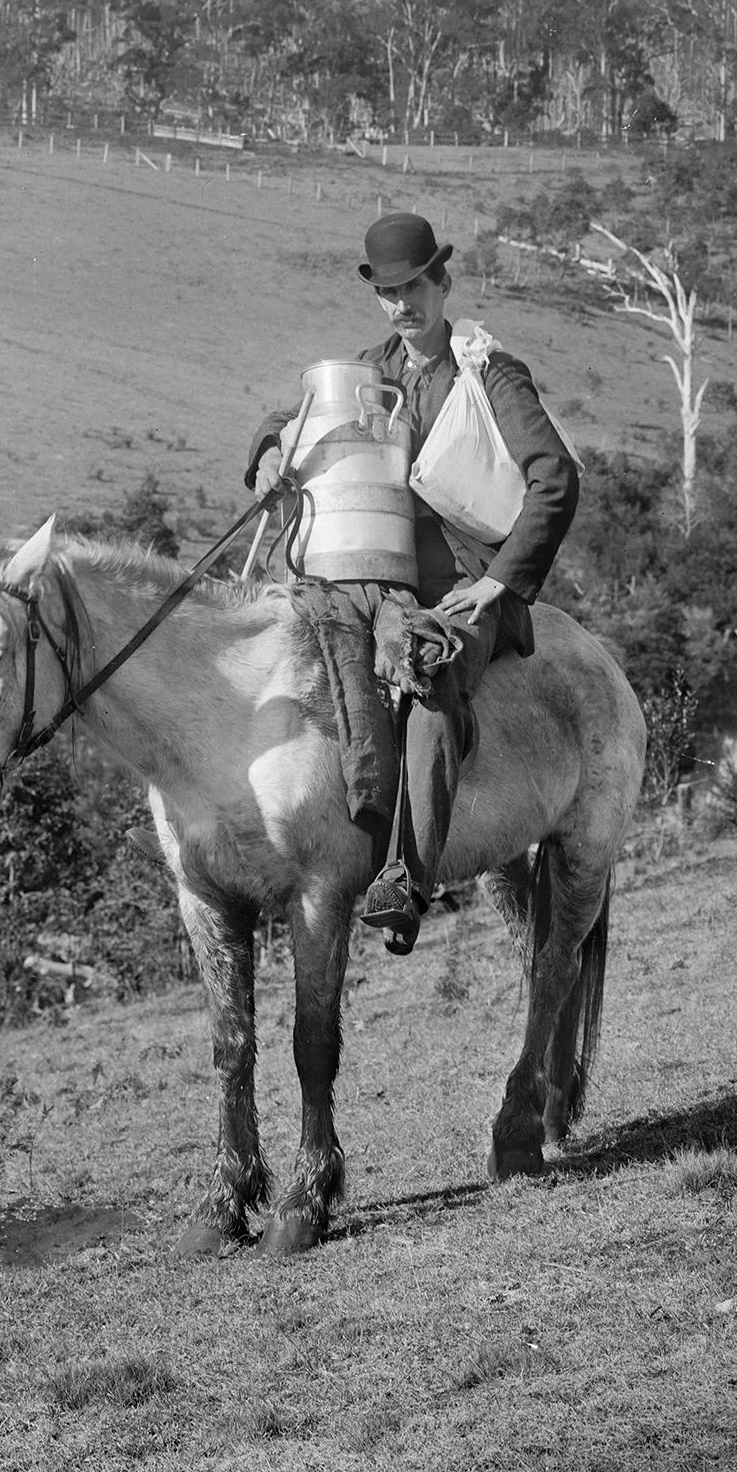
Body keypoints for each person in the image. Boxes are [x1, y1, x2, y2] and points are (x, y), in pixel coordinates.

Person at [247, 211, 580, 951]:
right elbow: (294, 415)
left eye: (413, 288)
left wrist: (500, 583)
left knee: (429, 681)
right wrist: (272, 450)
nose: (401, 305)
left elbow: (553, 479)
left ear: (442, 281)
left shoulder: (488, 373)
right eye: (387, 292)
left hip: (464, 589)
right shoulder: (375, 371)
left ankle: (406, 876)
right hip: (383, 585)